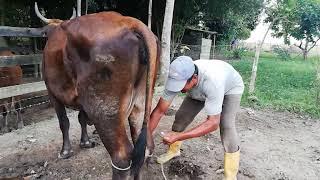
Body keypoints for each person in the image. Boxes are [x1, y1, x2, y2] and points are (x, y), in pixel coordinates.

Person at [148, 56, 244, 180]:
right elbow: (159, 111)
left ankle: (230, 175)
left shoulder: (213, 81)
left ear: (193, 78)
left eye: (181, 86)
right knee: (181, 117)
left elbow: (213, 123)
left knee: (227, 127)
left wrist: (178, 136)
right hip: (199, 89)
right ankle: (174, 151)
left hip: (229, 89)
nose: (179, 89)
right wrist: (145, 136)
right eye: (176, 85)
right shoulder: (178, 76)